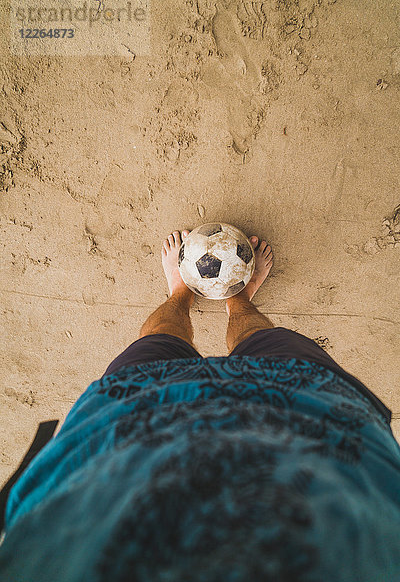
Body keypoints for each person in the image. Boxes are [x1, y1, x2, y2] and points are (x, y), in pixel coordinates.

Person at [1, 229, 400, 581]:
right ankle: (238, 298)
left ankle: (181, 293)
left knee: (157, 345)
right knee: (263, 343)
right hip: (312, 417)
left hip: (124, 428)